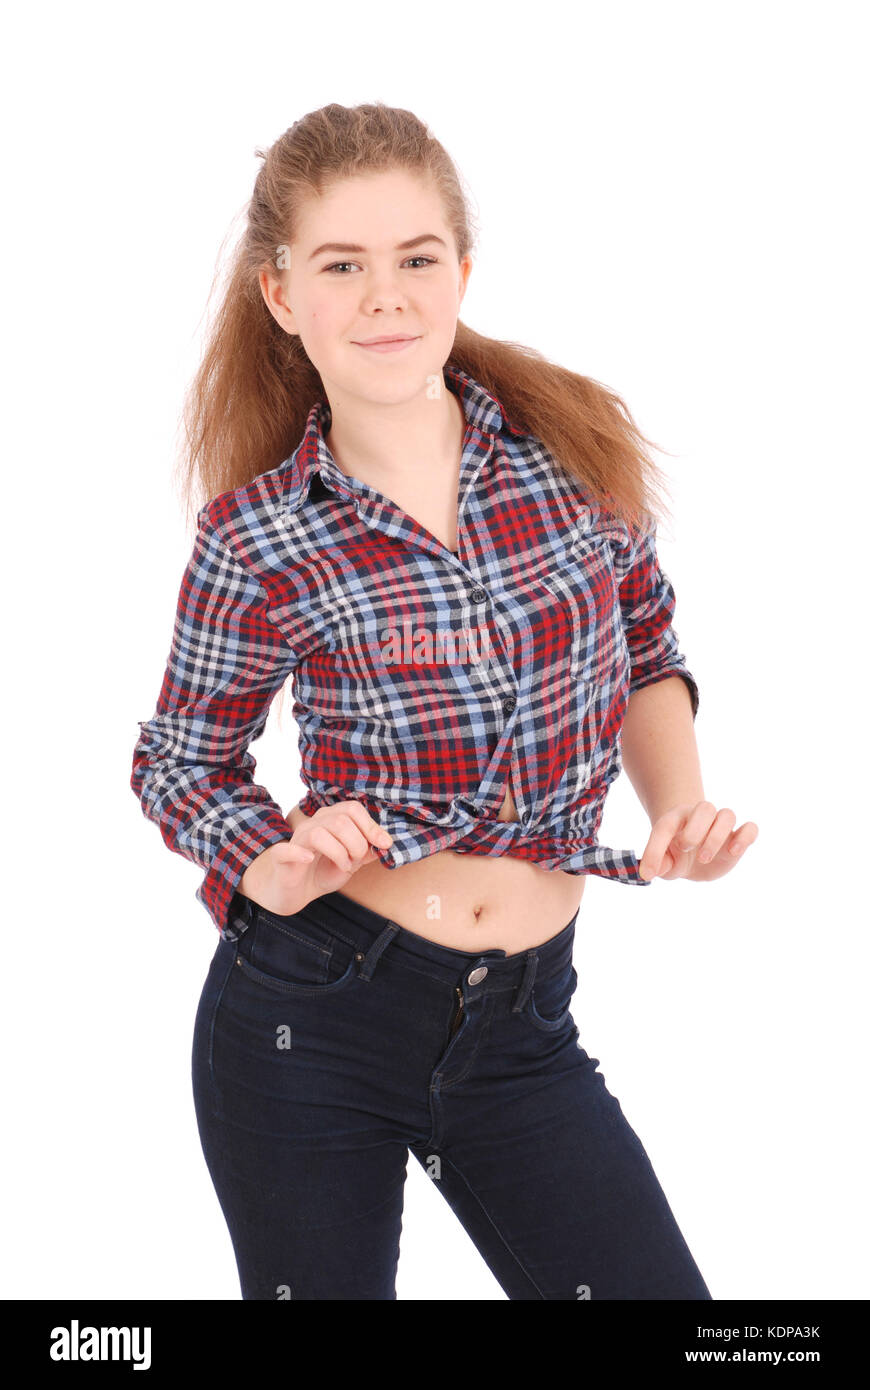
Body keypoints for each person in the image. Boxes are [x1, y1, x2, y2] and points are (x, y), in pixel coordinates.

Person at [131, 102, 757, 1300]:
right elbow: (179, 760)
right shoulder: (257, 536)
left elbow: (644, 644)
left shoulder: (572, 457)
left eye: (417, 258)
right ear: (281, 295)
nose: (386, 296)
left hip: (524, 1029)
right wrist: (271, 856)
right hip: (309, 1017)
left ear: (461, 270)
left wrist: (678, 806)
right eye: (342, 266)